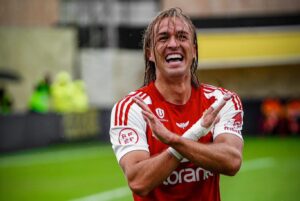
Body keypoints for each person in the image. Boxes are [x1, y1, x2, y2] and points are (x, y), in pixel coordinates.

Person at [110, 8, 244, 201]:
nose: (173, 44)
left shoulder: (221, 101)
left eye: (182, 37)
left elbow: (231, 161)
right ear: (150, 53)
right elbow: (139, 181)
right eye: (163, 38)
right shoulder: (132, 108)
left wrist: (173, 140)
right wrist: (195, 134)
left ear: (194, 50)